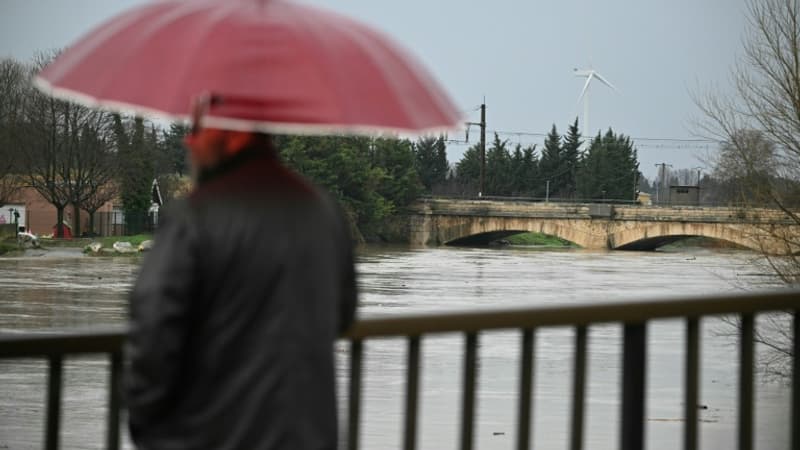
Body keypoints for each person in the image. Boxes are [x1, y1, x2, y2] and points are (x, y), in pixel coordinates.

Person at [125, 118, 358, 449]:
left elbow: (153, 328)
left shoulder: (193, 216)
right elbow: (343, 315)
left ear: (234, 134)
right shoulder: (323, 210)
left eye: (198, 131)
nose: (188, 142)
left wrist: (147, 425)